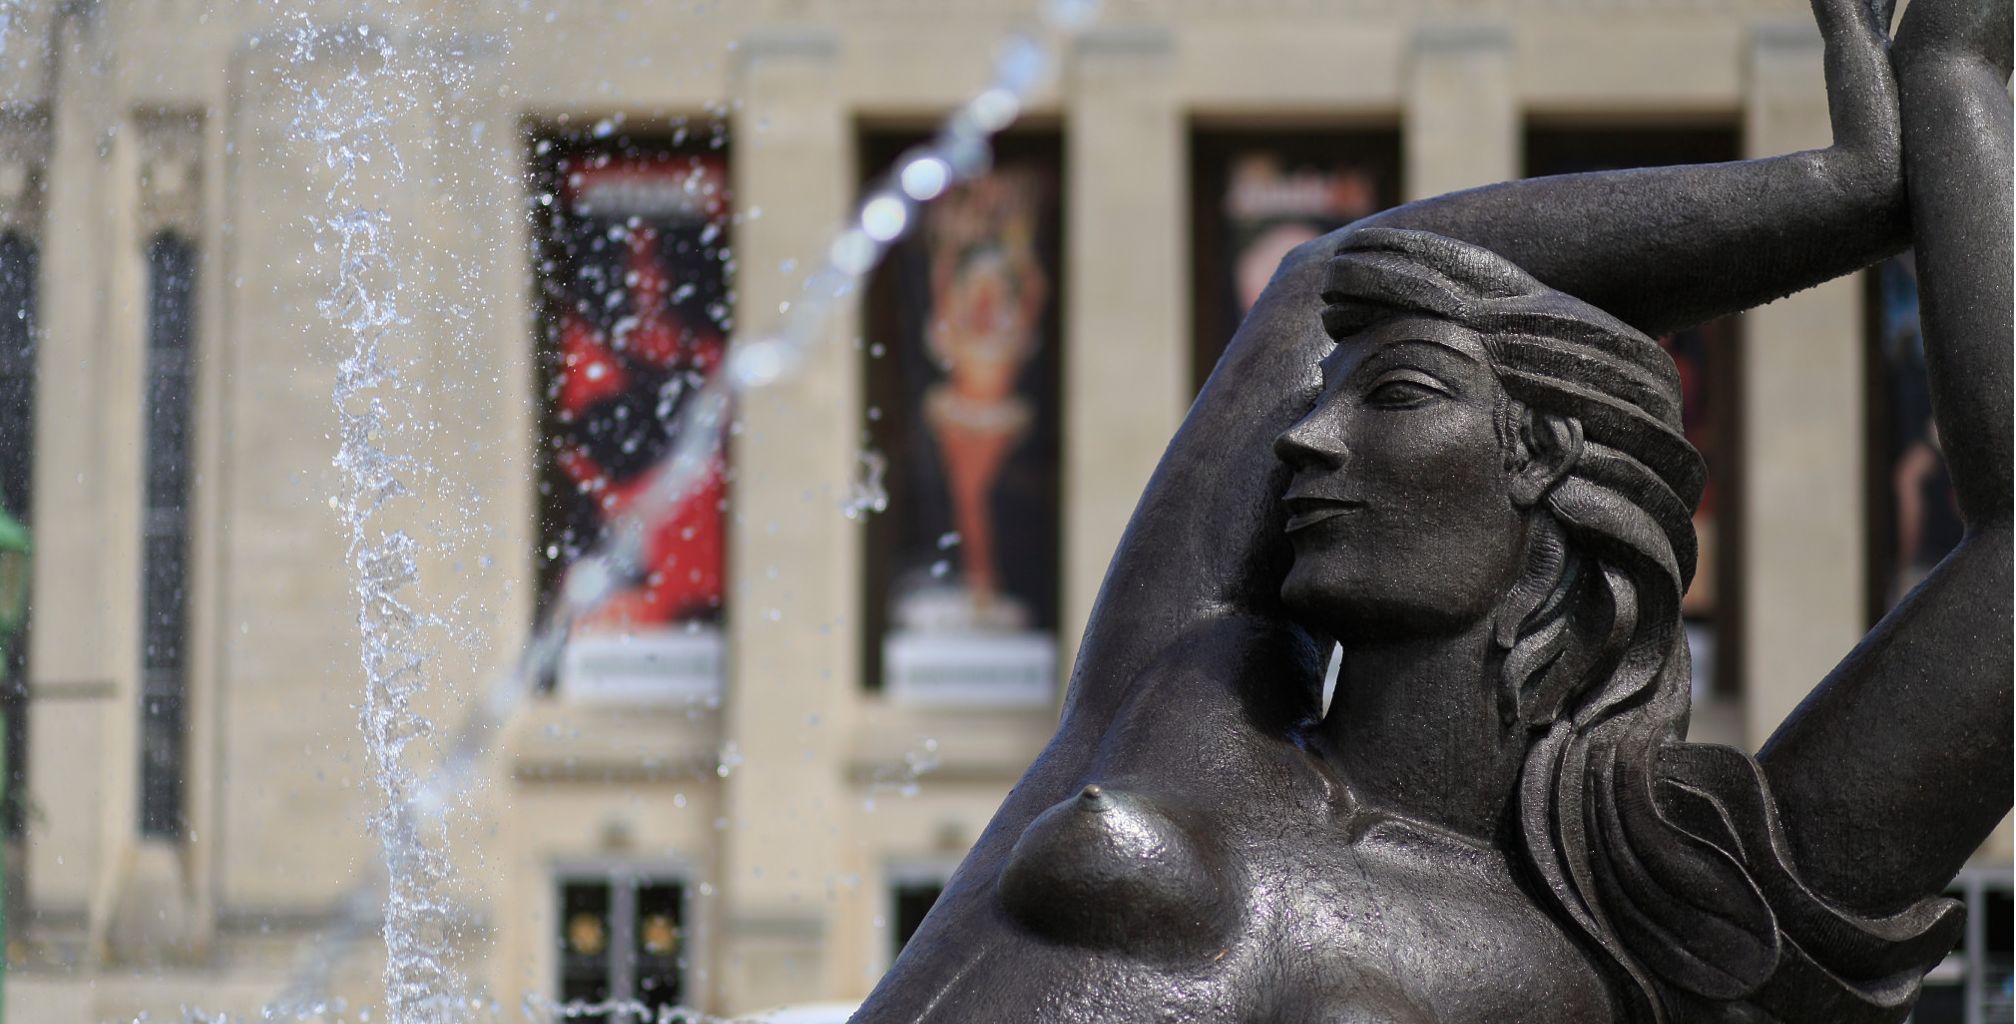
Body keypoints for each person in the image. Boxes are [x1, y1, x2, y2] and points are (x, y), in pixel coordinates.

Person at [849, 0, 2010, 1020]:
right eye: (1321, 400)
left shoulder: (1649, 940)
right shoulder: (1188, 684)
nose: (1305, 436)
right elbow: (1337, 273)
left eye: (1394, 398)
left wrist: (1954, 84)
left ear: (1542, 457)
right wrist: (1844, 190)